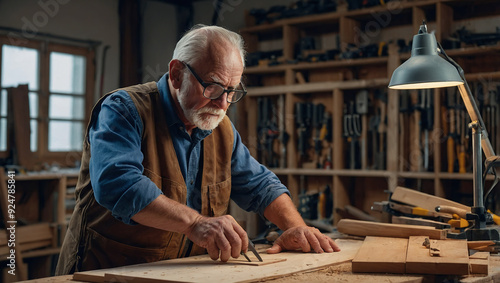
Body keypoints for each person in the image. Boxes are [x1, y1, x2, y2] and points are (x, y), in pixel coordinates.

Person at [56, 24, 340, 275]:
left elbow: (260, 185)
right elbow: (118, 185)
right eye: (214, 88)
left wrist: (294, 228)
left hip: (180, 273)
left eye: (232, 91)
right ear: (177, 74)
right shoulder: (125, 109)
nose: (223, 103)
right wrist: (195, 224)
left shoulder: (222, 127)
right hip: (107, 271)